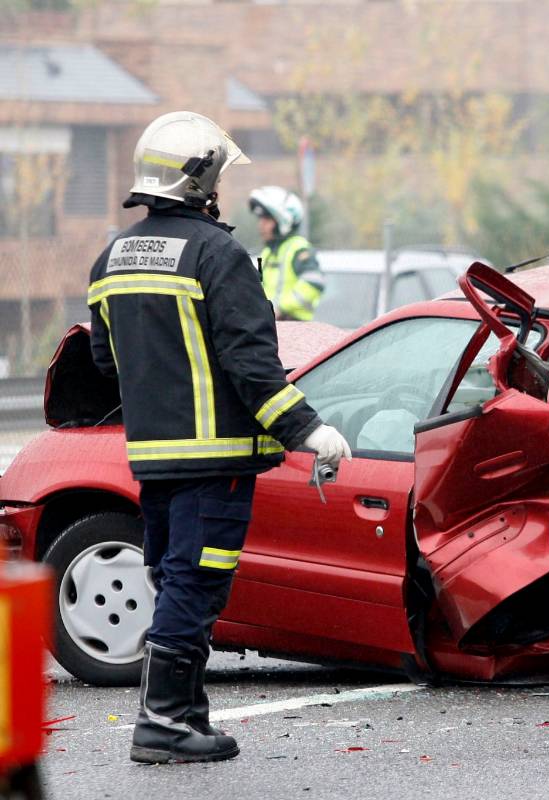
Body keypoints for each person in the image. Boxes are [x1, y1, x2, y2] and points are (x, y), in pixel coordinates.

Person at [87, 111, 352, 764]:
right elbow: (252, 364)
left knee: (174, 577)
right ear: (201, 180)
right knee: (198, 583)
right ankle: (166, 723)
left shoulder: (112, 256)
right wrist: (311, 431)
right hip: (216, 460)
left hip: (151, 458)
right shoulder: (217, 253)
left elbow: (103, 362)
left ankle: (187, 713)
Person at [249, 186, 325, 320]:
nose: (261, 225)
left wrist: (280, 307)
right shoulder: (268, 252)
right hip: (274, 325)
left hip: (296, 327)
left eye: (266, 220)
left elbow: (314, 283)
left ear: (283, 221)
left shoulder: (298, 248)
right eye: (260, 220)